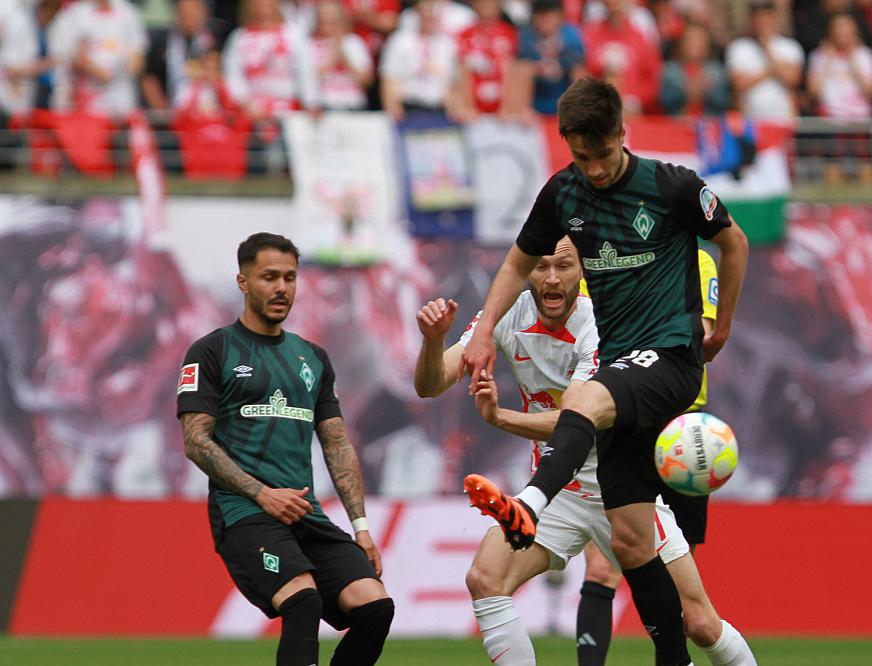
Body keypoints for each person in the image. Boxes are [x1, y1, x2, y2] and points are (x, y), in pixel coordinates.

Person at [459, 76, 748, 666]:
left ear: (623, 133)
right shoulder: (563, 193)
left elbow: (734, 242)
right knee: (632, 542)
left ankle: (531, 505)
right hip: (624, 372)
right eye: (579, 156)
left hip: (670, 359)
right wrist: (485, 328)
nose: (592, 169)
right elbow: (516, 262)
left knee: (582, 398)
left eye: (602, 154)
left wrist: (721, 329)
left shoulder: (671, 187)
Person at [415, 239, 756, 666]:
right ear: (526, 273)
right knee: (485, 578)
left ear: (584, 271)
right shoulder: (503, 314)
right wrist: (434, 341)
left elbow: (579, 420)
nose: (552, 277)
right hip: (559, 493)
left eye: (564, 265)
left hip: (621, 490)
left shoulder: (602, 327)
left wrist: (501, 418)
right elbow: (430, 384)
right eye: (540, 267)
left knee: (700, 623)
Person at [177, 233, 394, 666]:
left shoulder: (312, 358)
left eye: (290, 278)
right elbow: (195, 441)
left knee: (374, 606)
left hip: (303, 513)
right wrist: (261, 494)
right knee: (303, 602)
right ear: (242, 281)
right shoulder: (212, 351)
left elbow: (335, 442)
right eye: (269, 277)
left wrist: (361, 525)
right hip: (245, 514)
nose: (282, 288)